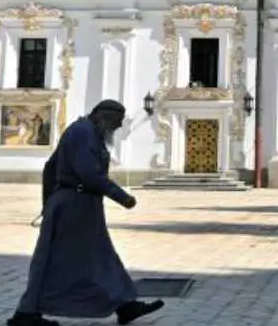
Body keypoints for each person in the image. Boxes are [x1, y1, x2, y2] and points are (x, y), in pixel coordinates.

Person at [9, 100, 164, 326]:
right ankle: (25, 314)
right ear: (104, 116)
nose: (118, 128)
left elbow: (50, 168)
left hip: (79, 205)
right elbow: (89, 174)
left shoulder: (87, 132)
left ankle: (125, 304)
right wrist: (122, 197)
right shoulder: (83, 133)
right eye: (117, 123)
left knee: (101, 256)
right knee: (53, 259)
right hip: (74, 205)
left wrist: (51, 203)